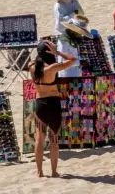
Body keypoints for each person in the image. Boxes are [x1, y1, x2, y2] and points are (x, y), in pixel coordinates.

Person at [28, 39, 78, 178]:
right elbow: (73, 59)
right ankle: (54, 171)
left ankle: (39, 171)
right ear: (49, 52)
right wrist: (58, 52)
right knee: (54, 140)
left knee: (39, 138)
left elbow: (37, 59)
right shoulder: (53, 68)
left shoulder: (31, 65)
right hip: (53, 104)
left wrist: (44, 51)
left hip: (40, 104)